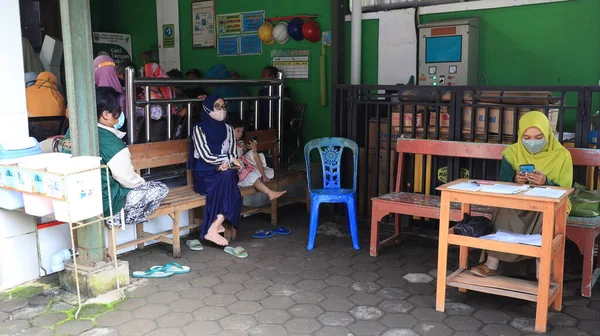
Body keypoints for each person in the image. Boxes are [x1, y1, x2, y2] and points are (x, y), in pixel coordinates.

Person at [470, 111, 573, 278]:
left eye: (539, 137)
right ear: (520, 135)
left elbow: (565, 189)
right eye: (527, 137)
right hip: (519, 198)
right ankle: (491, 263)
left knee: (548, 213)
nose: (532, 142)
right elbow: (502, 182)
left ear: (548, 134)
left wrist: (545, 182)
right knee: (501, 207)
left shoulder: (562, 156)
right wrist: (514, 179)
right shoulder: (512, 153)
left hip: (550, 200)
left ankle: (544, 272)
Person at [61, 87, 169, 226]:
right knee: (160, 188)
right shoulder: (112, 143)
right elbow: (128, 179)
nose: (120, 113)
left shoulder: (73, 130)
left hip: (75, 197)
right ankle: (117, 217)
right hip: (106, 204)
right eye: (118, 110)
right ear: (106, 114)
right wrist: (143, 186)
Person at [189, 95, 243, 246]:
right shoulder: (198, 129)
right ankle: (214, 227)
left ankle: (213, 228)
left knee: (229, 175)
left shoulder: (228, 129)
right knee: (231, 184)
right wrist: (226, 161)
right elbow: (205, 156)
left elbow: (233, 153)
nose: (221, 110)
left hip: (223, 173)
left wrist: (229, 163)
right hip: (205, 175)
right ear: (207, 108)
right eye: (217, 106)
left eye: (223, 106)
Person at [229, 117, 286, 200]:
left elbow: (244, 152)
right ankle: (270, 192)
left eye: (241, 132)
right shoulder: (227, 143)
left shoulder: (241, 142)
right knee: (252, 176)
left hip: (244, 163)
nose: (240, 134)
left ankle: (264, 175)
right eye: (237, 131)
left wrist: (253, 148)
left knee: (253, 153)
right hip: (237, 169)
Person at [258, 66, 292, 130]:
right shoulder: (262, 91)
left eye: (265, 75)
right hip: (264, 124)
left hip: (279, 123)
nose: (262, 78)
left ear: (272, 77)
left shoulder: (283, 90)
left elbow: (285, 111)